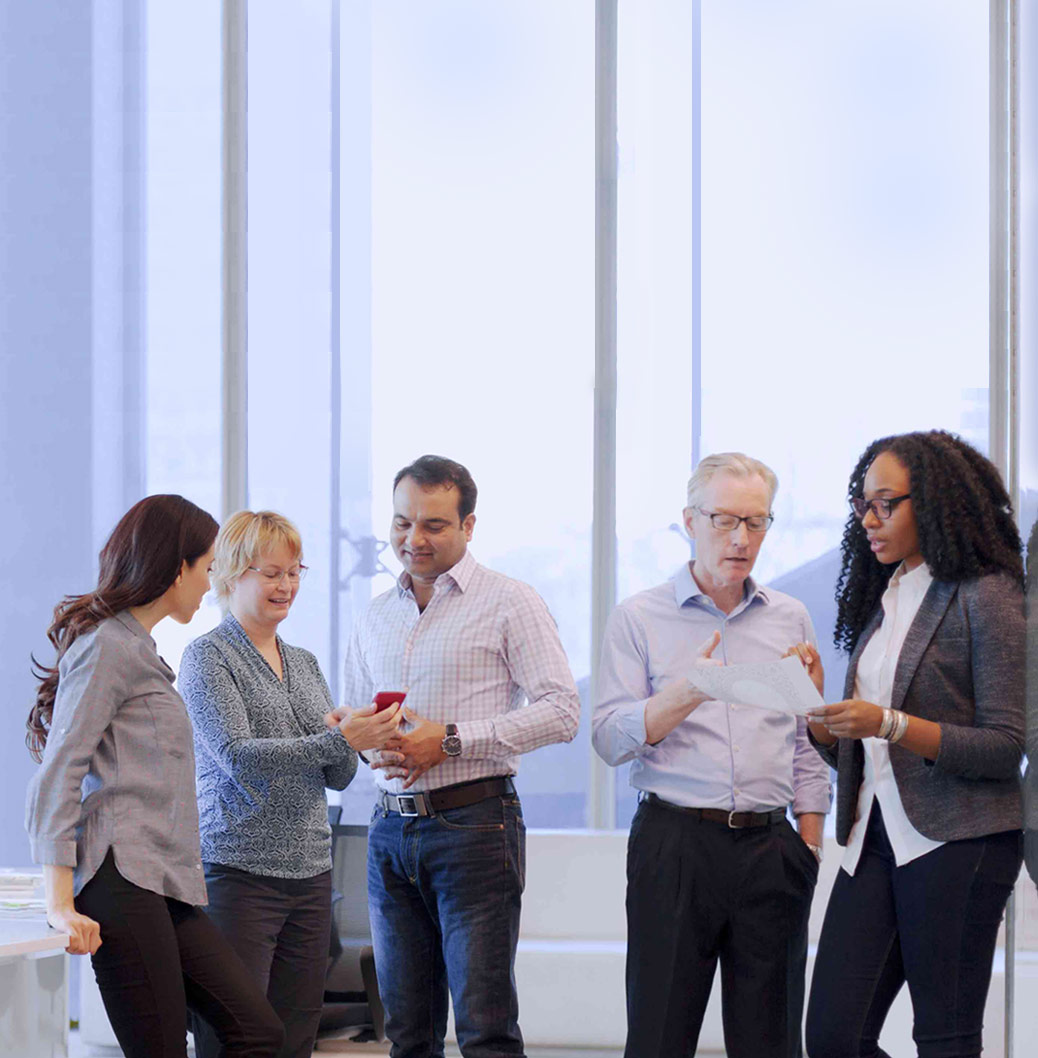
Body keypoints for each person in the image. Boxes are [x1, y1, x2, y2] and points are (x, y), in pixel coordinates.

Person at [334, 454, 581, 1058]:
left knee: (484, 1029)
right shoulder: (373, 615)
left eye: (434, 525)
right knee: (406, 1033)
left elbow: (562, 711)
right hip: (389, 831)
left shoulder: (509, 602)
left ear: (469, 526)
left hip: (475, 827)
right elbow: (353, 716)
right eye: (401, 523)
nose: (412, 539)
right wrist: (371, 745)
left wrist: (446, 739)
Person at [24, 495, 284, 1058]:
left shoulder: (140, 650)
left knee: (258, 1031)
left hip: (163, 882)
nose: (212, 580)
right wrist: (61, 903)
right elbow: (59, 771)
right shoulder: (108, 647)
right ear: (176, 569)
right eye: (208, 566)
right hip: (120, 878)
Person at [592, 452, 831, 1058]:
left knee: (771, 1040)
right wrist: (687, 692)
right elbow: (608, 740)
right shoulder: (638, 617)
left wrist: (808, 836)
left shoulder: (790, 617)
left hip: (771, 848)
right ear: (689, 521)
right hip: (676, 844)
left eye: (756, 522)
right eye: (725, 520)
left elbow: (804, 737)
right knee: (659, 1035)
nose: (741, 538)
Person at [803, 430, 1025, 1058]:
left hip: (958, 841)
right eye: (861, 504)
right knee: (831, 1037)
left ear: (932, 502)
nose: (868, 520)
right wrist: (821, 716)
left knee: (945, 1039)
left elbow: (1005, 747)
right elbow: (868, 749)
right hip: (872, 839)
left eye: (884, 503)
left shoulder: (989, 594)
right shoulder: (887, 596)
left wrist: (889, 722)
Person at [178, 510, 399, 1058]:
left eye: (295, 571)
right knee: (235, 1034)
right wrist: (339, 739)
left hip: (310, 873)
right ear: (231, 575)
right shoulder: (207, 657)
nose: (287, 585)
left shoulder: (303, 662)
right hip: (238, 872)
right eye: (271, 573)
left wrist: (353, 738)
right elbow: (238, 758)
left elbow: (340, 774)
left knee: (296, 1033)